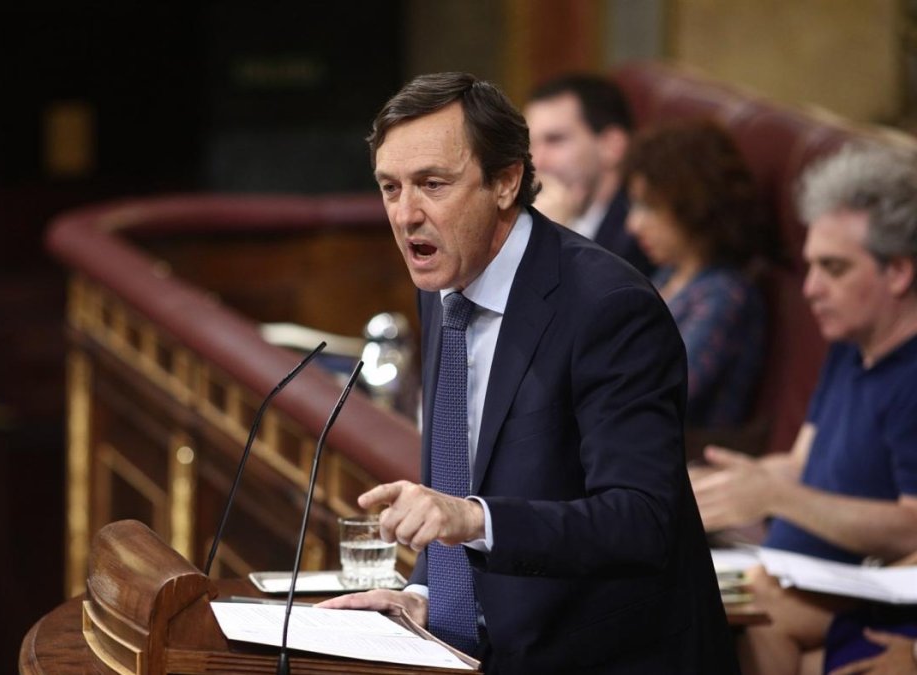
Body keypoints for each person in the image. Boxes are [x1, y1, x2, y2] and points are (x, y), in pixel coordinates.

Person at [318, 72, 737, 673]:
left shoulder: (608, 306)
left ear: (507, 180)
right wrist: (426, 597)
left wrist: (473, 518)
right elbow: (460, 468)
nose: (406, 214)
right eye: (390, 187)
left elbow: (640, 520)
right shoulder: (443, 285)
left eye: (433, 184)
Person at [692, 144, 917, 675]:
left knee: (750, 605)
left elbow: (913, 528)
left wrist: (776, 496)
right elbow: (803, 464)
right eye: (810, 266)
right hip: (791, 568)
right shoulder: (850, 345)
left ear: (900, 272)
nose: (812, 289)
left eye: (833, 269)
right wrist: (701, 487)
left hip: (856, 585)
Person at [622, 120, 771, 428]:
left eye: (649, 207)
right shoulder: (668, 274)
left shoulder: (725, 295)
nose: (633, 224)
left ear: (693, 204)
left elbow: (655, 397)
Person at [525, 73, 655, 276]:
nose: (536, 161)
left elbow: (610, 302)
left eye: (555, 140)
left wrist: (555, 240)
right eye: (530, 144)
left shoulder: (642, 231)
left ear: (612, 146)